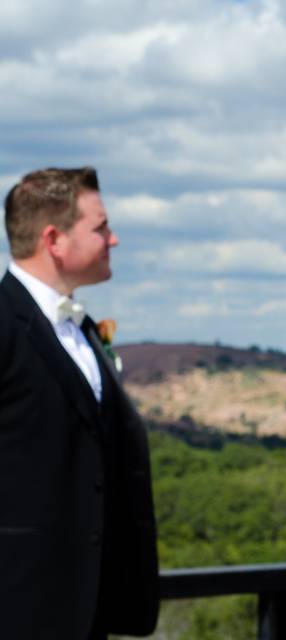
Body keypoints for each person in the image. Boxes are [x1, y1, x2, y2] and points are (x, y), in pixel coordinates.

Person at [0, 168, 159, 639]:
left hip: (89, 606)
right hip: (17, 602)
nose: (114, 239)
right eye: (101, 226)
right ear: (54, 239)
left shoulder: (82, 328)